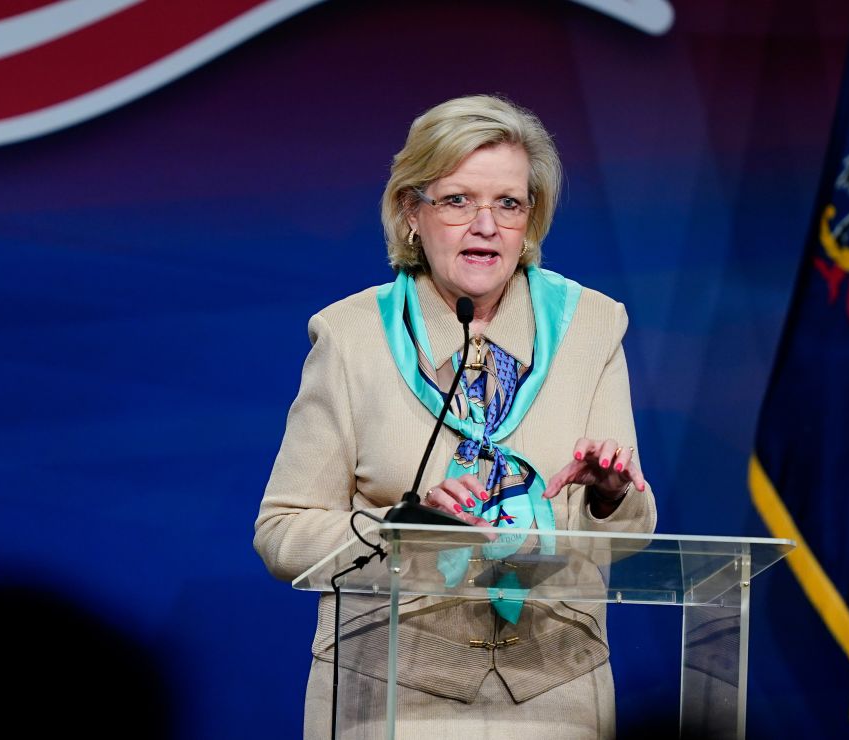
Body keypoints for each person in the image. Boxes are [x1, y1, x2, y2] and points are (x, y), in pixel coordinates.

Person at [254, 94, 656, 739]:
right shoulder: (352, 336)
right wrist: (402, 532)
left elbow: (628, 535)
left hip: (555, 691)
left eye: (508, 203)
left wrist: (610, 497)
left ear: (531, 223)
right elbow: (283, 532)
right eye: (457, 200)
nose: (486, 225)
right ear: (412, 213)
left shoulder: (591, 327)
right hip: (388, 689)